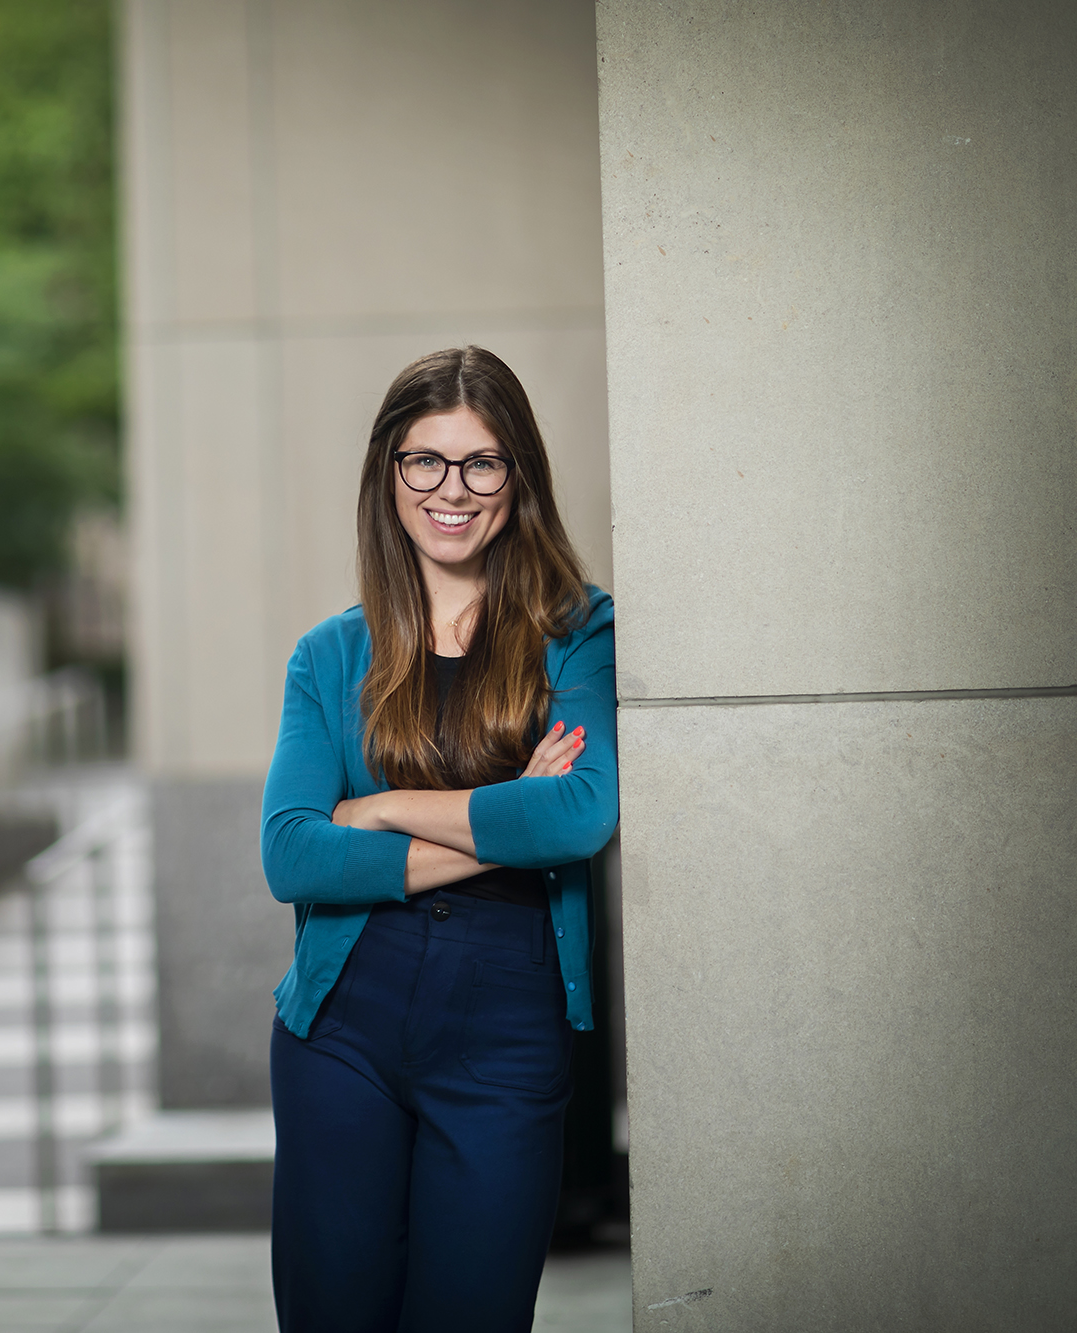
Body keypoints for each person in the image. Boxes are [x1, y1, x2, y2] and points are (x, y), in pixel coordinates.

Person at [260, 346, 618, 1332]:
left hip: (506, 1027)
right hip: (341, 1027)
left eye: (480, 462)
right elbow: (289, 852)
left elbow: (579, 813)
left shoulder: (577, 630)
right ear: (388, 473)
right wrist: (508, 814)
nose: (449, 490)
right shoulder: (330, 654)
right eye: (424, 460)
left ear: (518, 476)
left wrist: (376, 808)